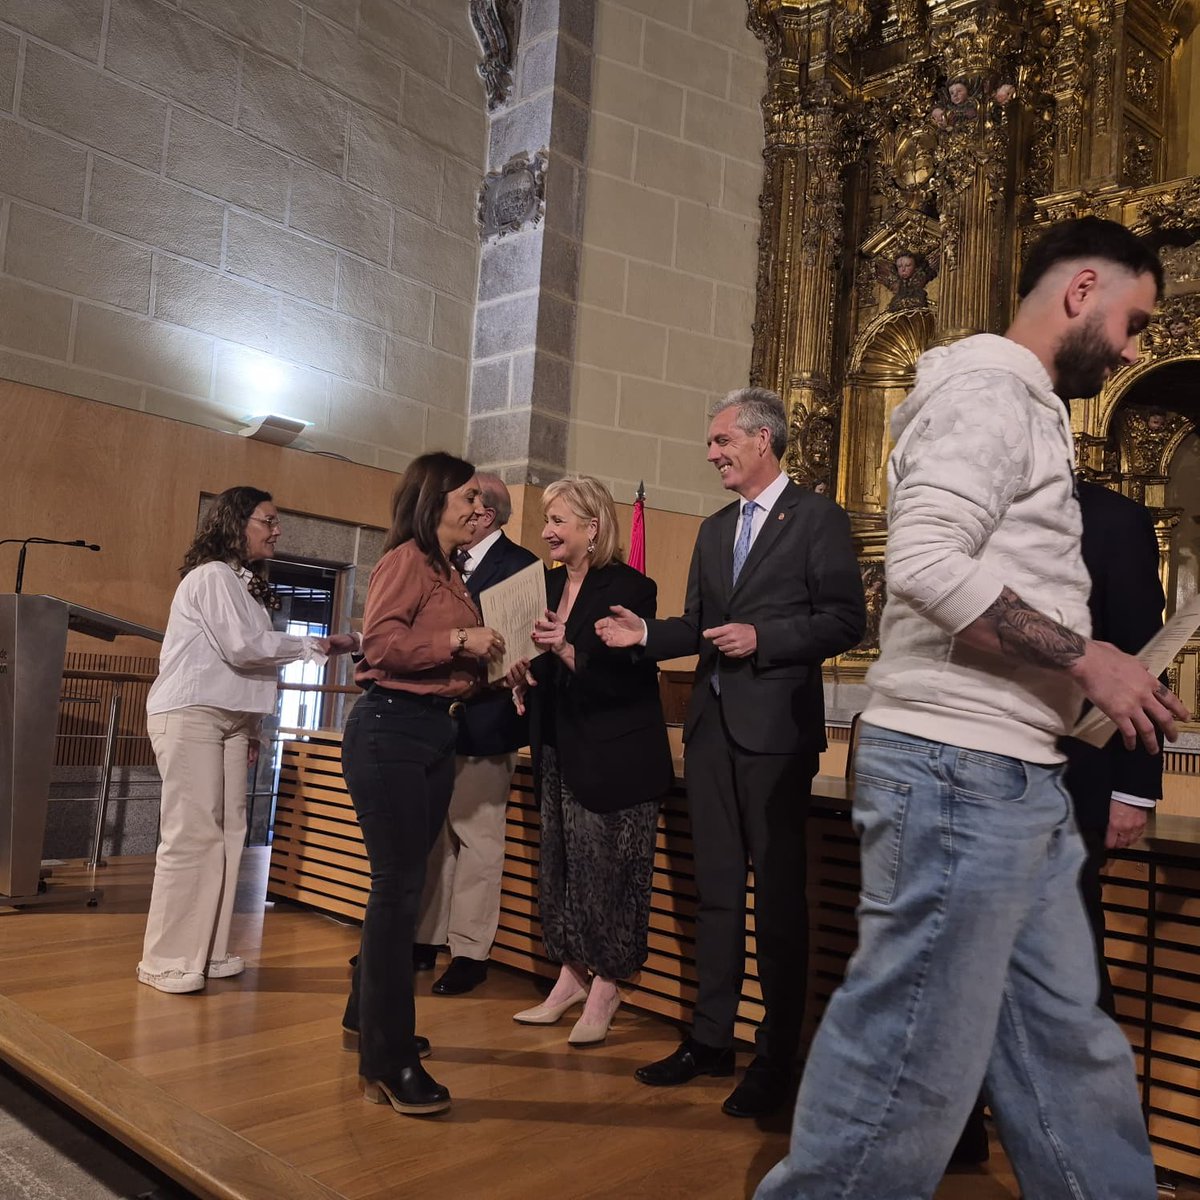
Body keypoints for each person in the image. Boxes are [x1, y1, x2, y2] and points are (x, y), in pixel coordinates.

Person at [754, 217, 1188, 1199]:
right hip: (958, 770)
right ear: (1081, 291)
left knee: (1068, 1057)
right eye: (1132, 320)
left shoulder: (1024, 405)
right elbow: (922, 565)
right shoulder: (988, 389)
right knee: (904, 1070)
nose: (1131, 349)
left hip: (1015, 773)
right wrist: (1091, 659)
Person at [597, 388, 866, 1117]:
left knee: (779, 904)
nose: (712, 453)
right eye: (713, 443)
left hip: (777, 736)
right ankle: (710, 1040)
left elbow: (847, 619)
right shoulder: (716, 531)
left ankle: (779, 1060)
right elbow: (702, 625)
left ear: (761, 440)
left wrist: (767, 640)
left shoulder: (818, 518)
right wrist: (646, 635)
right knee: (715, 896)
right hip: (712, 737)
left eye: (721, 441)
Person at [954, 477, 1167, 1165]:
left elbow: (1142, 659)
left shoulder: (1114, 517)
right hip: (966, 771)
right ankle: (960, 1132)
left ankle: (1099, 1154)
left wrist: (1135, 791)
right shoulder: (970, 511)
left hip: (1072, 779)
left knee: (1068, 970)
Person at [139, 486, 356, 995]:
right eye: (268, 520)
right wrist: (311, 643)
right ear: (237, 523)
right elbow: (243, 648)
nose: (276, 530)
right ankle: (165, 957)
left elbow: (246, 665)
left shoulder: (245, 585)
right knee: (192, 834)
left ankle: (207, 950)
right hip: (191, 712)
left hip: (232, 719)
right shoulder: (211, 575)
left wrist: (253, 725)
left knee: (230, 832)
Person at [340, 453, 505, 1117]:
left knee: (408, 887)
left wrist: (496, 669)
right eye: (467, 497)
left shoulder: (446, 571)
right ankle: (389, 1060)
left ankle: (365, 1019)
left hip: (432, 731)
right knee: (399, 892)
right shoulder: (407, 558)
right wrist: (464, 638)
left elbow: (446, 656)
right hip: (392, 733)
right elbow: (381, 648)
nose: (477, 508)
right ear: (434, 499)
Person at [508, 477, 673, 1046]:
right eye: (548, 520)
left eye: (558, 521)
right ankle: (571, 976)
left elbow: (629, 678)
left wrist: (567, 650)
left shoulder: (632, 587)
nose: (547, 530)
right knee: (560, 867)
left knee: (611, 874)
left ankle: (608, 983)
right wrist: (522, 673)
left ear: (592, 528)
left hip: (616, 757)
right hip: (556, 746)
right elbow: (540, 654)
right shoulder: (544, 586)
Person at [413, 473, 538, 995]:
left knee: (479, 839)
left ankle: (469, 951)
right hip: (432, 720)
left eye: (466, 499)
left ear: (485, 514)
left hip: (487, 719)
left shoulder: (523, 565)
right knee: (431, 837)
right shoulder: (437, 557)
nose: (460, 508)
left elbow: (523, 644)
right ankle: (421, 938)